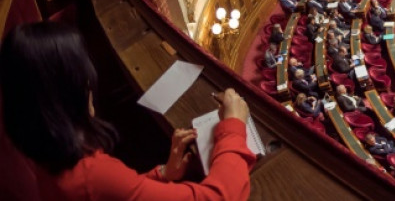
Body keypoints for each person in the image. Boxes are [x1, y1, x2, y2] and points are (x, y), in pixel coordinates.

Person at [0, 21, 256, 200]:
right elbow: (221, 197)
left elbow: (118, 194)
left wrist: (164, 173)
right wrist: (233, 126)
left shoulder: (45, 150)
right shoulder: (92, 174)